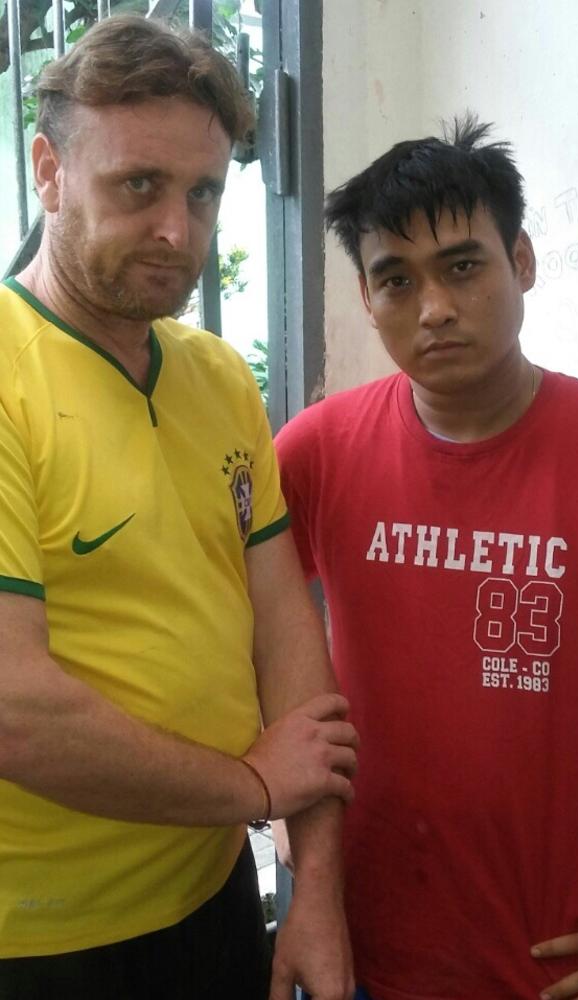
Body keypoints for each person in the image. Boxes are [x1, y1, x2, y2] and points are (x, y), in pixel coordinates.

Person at [0, 15, 359, 1000]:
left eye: (203, 193)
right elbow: (13, 707)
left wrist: (313, 886)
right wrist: (251, 789)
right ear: (49, 168)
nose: (178, 231)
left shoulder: (215, 378)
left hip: (212, 901)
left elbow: (285, 629)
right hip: (38, 944)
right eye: (139, 187)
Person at [274, 115, 578, 1000]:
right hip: (364, 954)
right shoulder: (316, 451)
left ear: (521, 261)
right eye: (395, 280)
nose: (433, 307)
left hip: (568, 963)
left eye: (463, 266)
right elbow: (238, 645)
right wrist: (287, 832)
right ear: (367, 300)